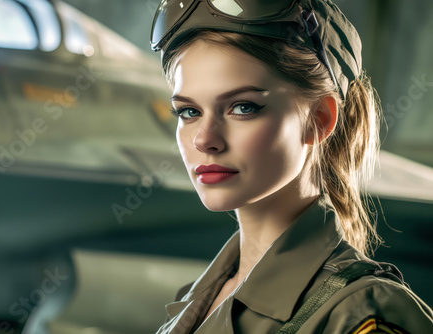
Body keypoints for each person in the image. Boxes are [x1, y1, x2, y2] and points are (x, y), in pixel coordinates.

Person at [149, 0, 433, 333]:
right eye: (189, 112)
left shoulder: (361, 313)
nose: (204, 140)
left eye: (243, 107)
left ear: (320, 119)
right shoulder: (195, 302)